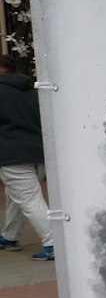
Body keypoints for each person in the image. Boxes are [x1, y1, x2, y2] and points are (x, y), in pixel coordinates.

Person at [0, 53, 53, 260]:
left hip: (12, 154)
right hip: (39, 153)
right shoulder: (32, 91)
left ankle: (53, 242)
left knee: (30, 199)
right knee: (16, 196)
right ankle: (10, 236)